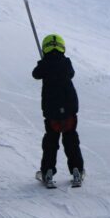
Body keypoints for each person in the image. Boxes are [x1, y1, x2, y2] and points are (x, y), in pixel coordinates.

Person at [32, 34, 84, 187]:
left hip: (52, 111)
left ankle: (48, 171)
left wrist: (43, 63)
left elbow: (36, 74)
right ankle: (77, 170)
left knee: (51, 141)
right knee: (71, 139)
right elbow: (71, 73)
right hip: (69, 109)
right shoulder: (66, 63)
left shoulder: (45, 64)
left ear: (45, 48)